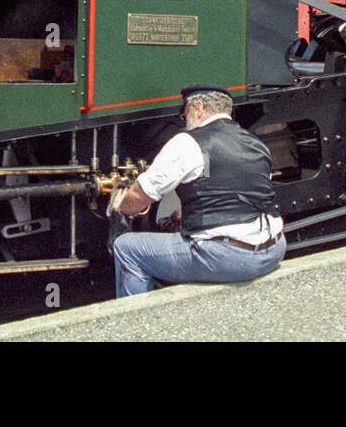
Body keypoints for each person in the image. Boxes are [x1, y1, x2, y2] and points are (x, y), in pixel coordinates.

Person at [109, 86, 285, 297]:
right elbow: (243, 192)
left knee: (127, 248)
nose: (184, 119)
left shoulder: (187, 142)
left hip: (231, 257)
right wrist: (191, 217)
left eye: (185, 113)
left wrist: (120, 204)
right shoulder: (255, 142)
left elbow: (139, 197)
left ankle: (133, 322)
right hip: (273, 249)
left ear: (199, 107)